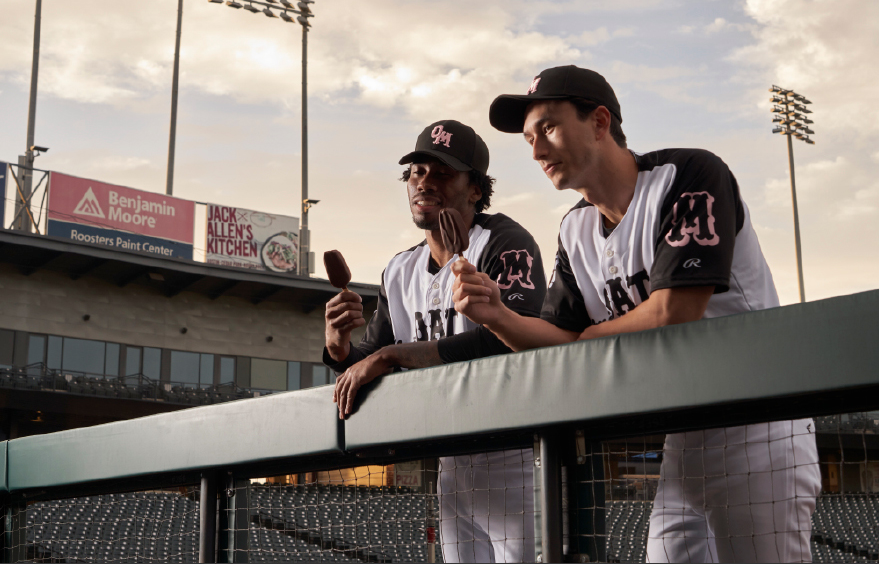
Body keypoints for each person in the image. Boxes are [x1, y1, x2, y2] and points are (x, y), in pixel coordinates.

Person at [451, 65, 821, 563]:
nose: (537, 151)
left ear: (599, 122)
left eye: (550, 128)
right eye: (530, 139)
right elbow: (562, 339)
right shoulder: (574, 229)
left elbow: (675, 310)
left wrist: (590, 338)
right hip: (683, 441)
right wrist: (497, 315)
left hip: (761, 427)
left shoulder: (688, 175)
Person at [322, 119, 546, 563]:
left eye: (442, 173)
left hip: (516, 456)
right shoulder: (399, 269)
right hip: (448, 464)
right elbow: (369, 358)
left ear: (476, 190)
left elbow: (511, 337)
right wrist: (339, 348)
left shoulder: (504, 242)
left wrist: (389, 356)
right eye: (417, 172)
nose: (424, 182)